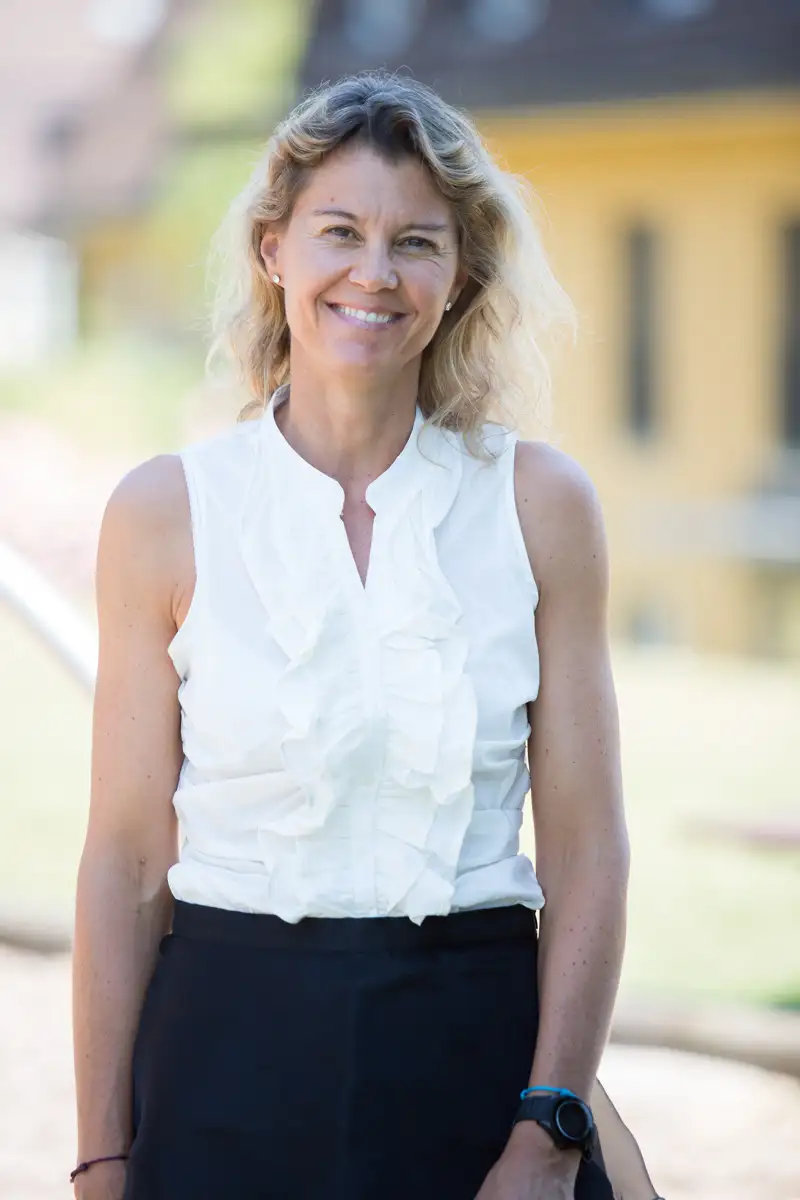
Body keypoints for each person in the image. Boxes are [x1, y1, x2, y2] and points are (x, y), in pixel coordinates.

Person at [71, 70, 661, 1200]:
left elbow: (587, 848)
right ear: (272, 251)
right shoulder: (162, 514)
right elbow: (125, 860)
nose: (373, 274)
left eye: (417, 243)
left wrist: (547, 1127)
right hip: (222, 1064)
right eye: (338, 231)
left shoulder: (539, 505)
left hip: (483, 1068)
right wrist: (102, 1157)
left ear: (460, 275)